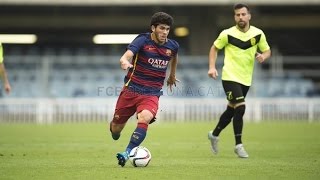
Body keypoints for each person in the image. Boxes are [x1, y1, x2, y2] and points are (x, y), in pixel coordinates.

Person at [109, 12, 179, 167]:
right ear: (153, 28)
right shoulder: (143, 39)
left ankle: (127, 153)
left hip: (152, 93)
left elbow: (174, 56)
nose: (165, 32)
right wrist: (124, 61)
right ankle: (114, 128)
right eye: (162, 28)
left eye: (167, 29)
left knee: (144, 118)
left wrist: (172, 75)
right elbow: (127, 55)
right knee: (116, 129)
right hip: (131, 90)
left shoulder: (172, 46)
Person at [207, 3, 271, 158]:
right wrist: (212, 67)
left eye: (243, 14)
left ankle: (214, 134)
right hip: (229, 76)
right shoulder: (227, 33)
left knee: (231, 110)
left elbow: (267, 50)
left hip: (246, 79)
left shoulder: (258, 34)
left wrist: (263, 56)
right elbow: (214, 48)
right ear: (234, 17)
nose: (240, 17)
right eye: (237, 15)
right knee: (241, 107)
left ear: (249, 16)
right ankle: (238, 145)